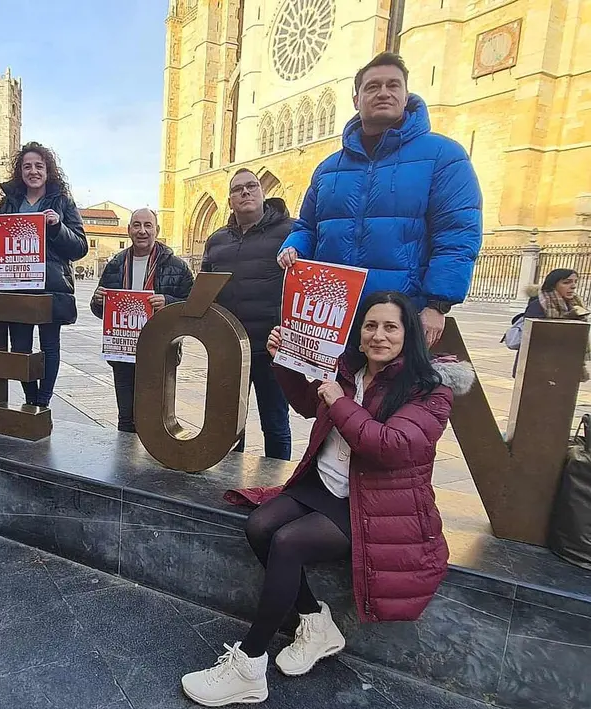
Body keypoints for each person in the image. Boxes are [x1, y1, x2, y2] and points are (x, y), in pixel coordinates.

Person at [180, 291, 474, 708]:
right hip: (322, 483)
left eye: (391, 327)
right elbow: (305, 404)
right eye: (370, 326)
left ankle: (249, 665)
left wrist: (340, 401)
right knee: (260, 525)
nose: (378, 336)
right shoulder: (348, 369)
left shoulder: (429, 390)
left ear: (409, 334)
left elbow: (389, 445)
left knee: (288, 542)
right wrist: (284, 360)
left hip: (373, 504)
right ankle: (315, 621)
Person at [277, 52, 483, 348]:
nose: (383, 93)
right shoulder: (328, 167)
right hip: (332, 316)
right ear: (356, 99)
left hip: (399, 316)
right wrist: (294, 246)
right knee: (327, 394)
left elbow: (457, 233)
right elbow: (307, 227)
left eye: (393, 85)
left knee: (391, 394)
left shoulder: (443, 156)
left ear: (406, 94)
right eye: (372, 87)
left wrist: (438, 304)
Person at [0, 141, 88, 408]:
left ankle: (44, 401)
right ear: (20, 171)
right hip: (15, 286)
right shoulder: (8, 204)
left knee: (50, 346)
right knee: (21, 348)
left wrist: (58, 226)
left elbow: (80, 247)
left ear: (48, 171)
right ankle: (30, 399)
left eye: (39, 166)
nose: (33, 171)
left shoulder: (62, 202)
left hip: (51, 287)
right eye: (27, 166)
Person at [201, 168, 293, 460]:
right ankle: (227, 479)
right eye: (238, 189)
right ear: (229, 201)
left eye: (251, 186)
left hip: (271, 348)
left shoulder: (290, 232)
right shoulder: (216, 241)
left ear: (263, 192)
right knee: (227, 424)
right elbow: (204, 289)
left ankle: (277, 483)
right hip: (230, 349)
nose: (245, 192)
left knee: (275, 424)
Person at [91, 208, 194, 432]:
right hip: (123, 352)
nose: (142, 231)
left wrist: (168, 301)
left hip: (160, 351)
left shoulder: (177, 266)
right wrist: (99, 301)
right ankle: (125, 462)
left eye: (148, 225)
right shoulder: (116, 263)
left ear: (157, 230)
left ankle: (151, 463)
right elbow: (98, 309)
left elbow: (193, 307)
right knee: (126, 417)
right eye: (136, 225)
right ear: (129, 230)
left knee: (156, 416)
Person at [512, 268, 590, 379]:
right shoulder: (539, 304)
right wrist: (567, 319)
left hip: (567, 364)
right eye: (566, 282)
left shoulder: (574, 304)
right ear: (553, 284)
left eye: (575, 282)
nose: (573, 286)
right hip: (538, 366)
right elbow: (532, 336)